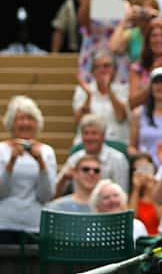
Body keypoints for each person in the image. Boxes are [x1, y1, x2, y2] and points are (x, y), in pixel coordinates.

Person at [0, 96, 57, 243]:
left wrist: (41, 164)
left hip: (35, 224)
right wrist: (11, 163)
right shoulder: (1, 150)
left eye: (30, 119)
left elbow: (46, 195)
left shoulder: (47, 151)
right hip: (5, 223)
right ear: (11, 123)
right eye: (20, 119)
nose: (25, 123)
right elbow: (2, 192)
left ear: (36, 124)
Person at [62, 114, 130, 193]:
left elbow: (122, 193)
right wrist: (64, 179)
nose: (89, 138)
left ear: (103, 136)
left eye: (94, 133)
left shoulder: (118, 159)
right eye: (86, 133)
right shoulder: (75, 158)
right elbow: (55, 192)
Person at [73, 51, 129, 144]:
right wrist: (89, 96)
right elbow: (79, 121)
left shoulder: (124, 90)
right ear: (92, 71)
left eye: (106, 66)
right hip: (87, 143)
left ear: (114, 70)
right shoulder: (82, 90)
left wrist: (109, 90)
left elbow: (121, 116)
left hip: (116, 141)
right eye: (97, 67)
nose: (101, 70)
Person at [129, 68, 162, 160]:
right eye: (156, 82)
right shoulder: (138, 113)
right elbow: (132, 147)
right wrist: (140, 157)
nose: (160, 86)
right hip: (145, 168)